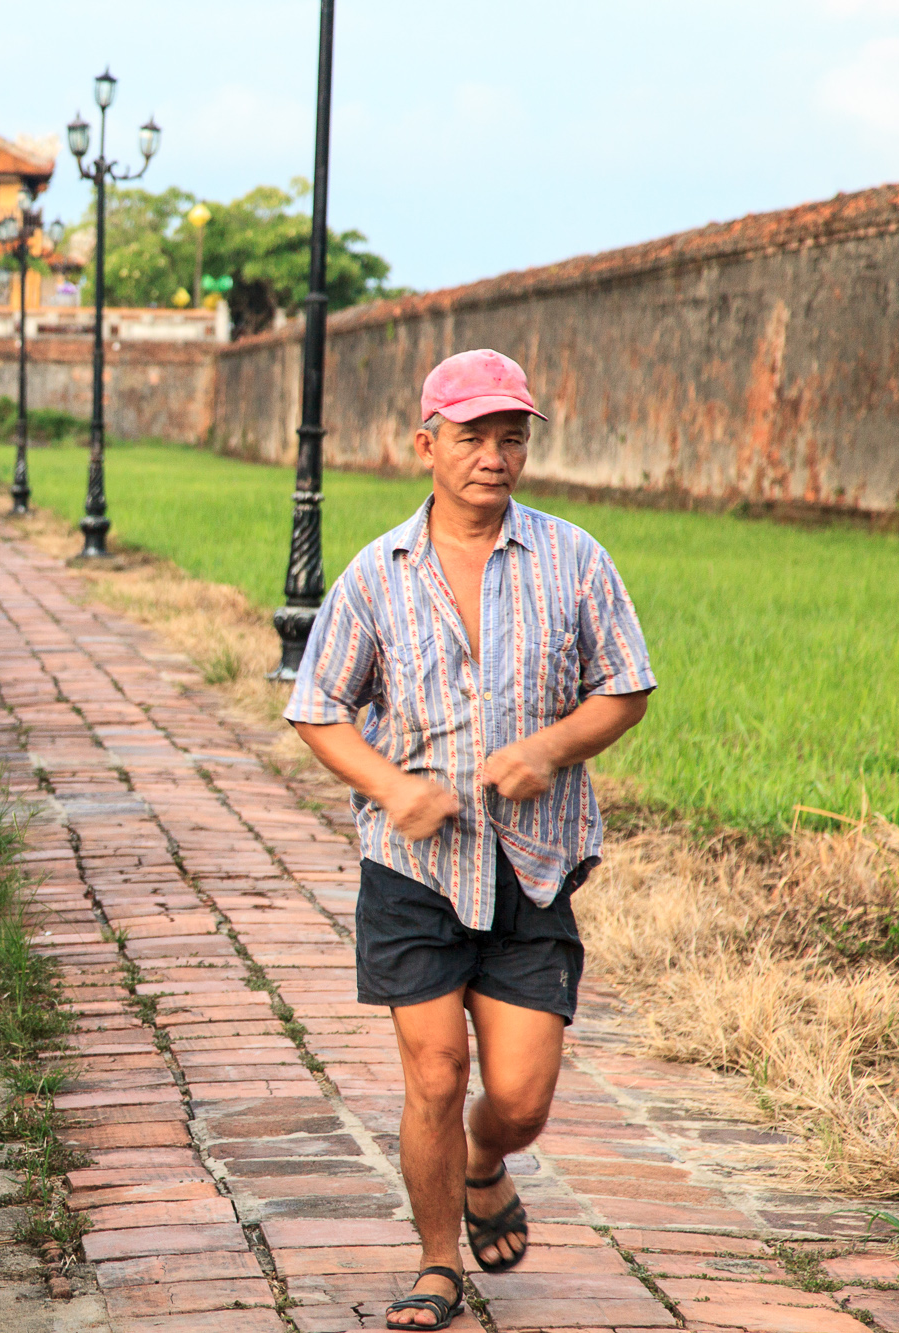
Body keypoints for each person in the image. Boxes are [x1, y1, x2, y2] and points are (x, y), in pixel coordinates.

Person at [283, 349, 655, 1330]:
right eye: (471, 436)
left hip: (530, 866)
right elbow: (317, 709)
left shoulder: (574, 558)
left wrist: (549, 748)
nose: (492, 456)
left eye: (510, 437)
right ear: (425, 445)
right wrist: (390, 788)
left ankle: (488, 1161)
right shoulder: (375, 574)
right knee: (434, 1073)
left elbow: (624, 684)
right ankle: (434, 1262)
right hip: (411, 867)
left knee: (520, 1098)